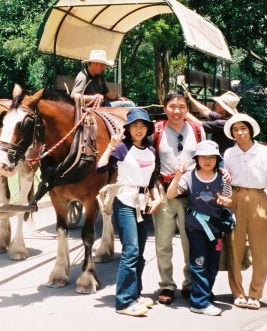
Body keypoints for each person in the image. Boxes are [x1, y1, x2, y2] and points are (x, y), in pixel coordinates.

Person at [96, 108, 162, 317]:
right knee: (131, 251)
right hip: (125, 202)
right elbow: (100, 168)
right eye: (135, 125)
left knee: (139, 253)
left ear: (148, 128)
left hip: (144, 203)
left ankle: (135, 294)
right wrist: (110, 146)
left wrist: (157, 196)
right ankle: (124, 301)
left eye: (143, 125)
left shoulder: (151, 151)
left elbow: (152, 179)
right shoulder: (123, 149)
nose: (139, 129)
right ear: (128, 128)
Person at [166, 140, 232, 316]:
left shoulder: (223, 177)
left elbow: (228, 198)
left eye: (212, 157)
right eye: (203, 157)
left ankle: (204, 294)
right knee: (199, 263)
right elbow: (171, 194)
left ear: (218, 159)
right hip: (195, 227)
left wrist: (225, 202)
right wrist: (178, 175)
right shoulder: (189, 176)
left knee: (212, 265)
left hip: (216, 228)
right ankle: (200, 303)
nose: (208, 160)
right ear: (197, 158)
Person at [151, 89, 206, 305]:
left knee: (189, 241)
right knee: (163, 242)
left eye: (182, 106)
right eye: (172, 106)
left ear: (187, 109)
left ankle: (190, 283)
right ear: (165, 108)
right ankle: (166, 285)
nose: (177, 111)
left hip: (191, 193)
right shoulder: (156, 130)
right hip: (165, 192)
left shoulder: (197, 129)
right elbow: (149, 160)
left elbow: (206, 157)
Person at [222, 113, 267, 311]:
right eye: (235, 130)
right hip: (235, 199)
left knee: (260, 250)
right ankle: (238, 293)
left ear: (251, 130)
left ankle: (255, 293)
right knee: (234, 248)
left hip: (259, 199)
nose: (240, 133)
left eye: (243, 128)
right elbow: (225, 182)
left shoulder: (266, 153)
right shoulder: (229, 154)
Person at [186, 90, 241, 155]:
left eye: (218, 103)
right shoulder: (223, 117)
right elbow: (206, 111)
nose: (216, 104)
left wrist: (183, 112)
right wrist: (191, 98)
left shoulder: (224, 123)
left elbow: (198, 124)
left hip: (223, 155)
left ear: (223, 107)